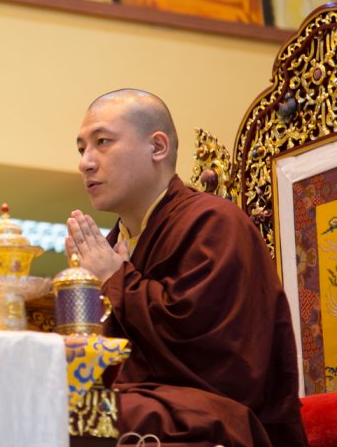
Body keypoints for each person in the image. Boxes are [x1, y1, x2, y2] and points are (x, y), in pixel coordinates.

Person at [65, 89, 307, 446]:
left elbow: (218, 361)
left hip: (217, 418)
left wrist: (115, 279)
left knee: (75, 415)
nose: (86, 162)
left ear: (158, 147)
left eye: (102, 142)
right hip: (146, 407)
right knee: (43, 404)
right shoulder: (112, 246)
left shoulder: (214, 223)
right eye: (81, 148)